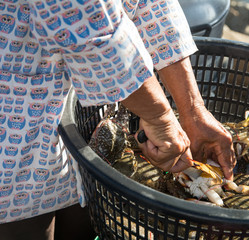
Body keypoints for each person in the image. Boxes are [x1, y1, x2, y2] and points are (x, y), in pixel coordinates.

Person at [0, 0, 235, 239]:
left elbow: (152, 5)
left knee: (82, 220)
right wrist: (160, 117)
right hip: (19, 127)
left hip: (93, 120)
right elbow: (84, 20)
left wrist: (192, 110)